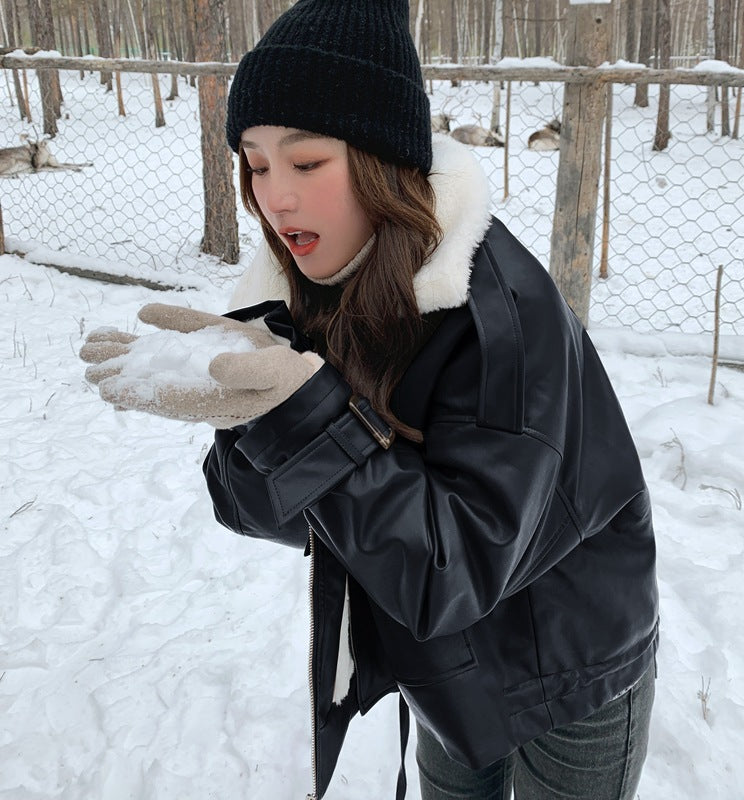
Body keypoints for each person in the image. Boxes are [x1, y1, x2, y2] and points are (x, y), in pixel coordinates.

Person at [80, 1, 659, 798]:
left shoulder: (501, 321)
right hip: (444, 662)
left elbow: (452, 568)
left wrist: (306, 417)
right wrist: (251, 418)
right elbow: (269, 515)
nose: (274, 199)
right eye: (254, 164)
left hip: (569, 664)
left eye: (306, 163)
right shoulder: (314, 290)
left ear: (386, 159)